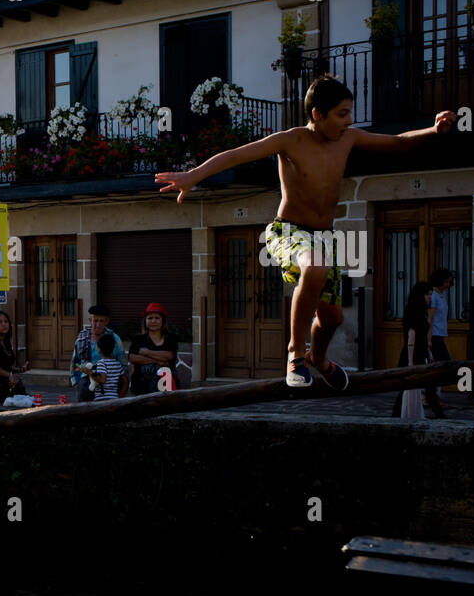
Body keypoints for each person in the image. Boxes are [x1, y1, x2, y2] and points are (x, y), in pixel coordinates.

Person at [157, 75, 456, 389]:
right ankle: (295, 354)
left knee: (332, 319)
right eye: (342, 114)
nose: (349, 120)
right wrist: (193, 175)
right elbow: (235, 155)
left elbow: (398, 142)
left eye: (350, 113)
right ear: (317, 114)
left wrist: (433, 130)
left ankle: (320, 360)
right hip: (287, 232)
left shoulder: (349, 138)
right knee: (315, 267)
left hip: (324, 237)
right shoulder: (290, 140)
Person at [392, 280, 445, 419]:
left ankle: (439, 416)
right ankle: (395, 417)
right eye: (427, 295)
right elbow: (411, 337)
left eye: (431, 294)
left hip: (420, 355)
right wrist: (410, 361)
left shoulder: (422, 312)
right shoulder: (413, 312)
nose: (429, 298)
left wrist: (429, 352)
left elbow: (423, 337)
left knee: (428, 388)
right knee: (409, 389)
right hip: (412, 356)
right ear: (420, 295)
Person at [70, 304, 126, 402]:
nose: (98, 324)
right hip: (86, 382)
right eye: (95, 320)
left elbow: (123, 365)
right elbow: (75, 362)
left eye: (101, 321)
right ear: (90, 320)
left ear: (107, 321)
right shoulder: (81, 338)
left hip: (109, 383)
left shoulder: (115, 340)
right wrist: (76, 381)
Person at [128, 301, 180, 395]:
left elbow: (169, 356)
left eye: (157, 318)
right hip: (140, 386)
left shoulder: (171, 338)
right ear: (145, 320)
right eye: (150, 318)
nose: (153, 321)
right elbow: (132, 358)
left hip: (165, 386)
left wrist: (145, 352)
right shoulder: (138, 339)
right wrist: (157, 361)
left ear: (163, 320)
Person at [92, 332, 127, 401]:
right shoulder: (117, 364)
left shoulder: (101, 363)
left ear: (99, 349)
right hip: (114, 398)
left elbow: (102, 380)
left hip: (102, 399)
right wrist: (121, 395)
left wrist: (90, 373)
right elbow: (125, 381)